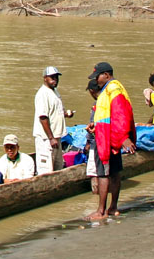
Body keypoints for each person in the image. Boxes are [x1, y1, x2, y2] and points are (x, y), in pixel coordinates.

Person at [86, 62, 135, 221]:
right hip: (108, 135)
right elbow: (108, 115)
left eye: (97, 77)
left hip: (108, 139)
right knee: (114, 172)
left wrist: (123, 138)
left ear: (106, 74)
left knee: (103, 174)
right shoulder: (111, 89)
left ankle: (101, 211)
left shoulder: (113, 89)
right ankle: (112, 208)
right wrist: (96, 127)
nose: (97, 81)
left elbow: (120, 114)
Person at [34, 66, 75, 174]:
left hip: (57, 137)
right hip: (46, 139)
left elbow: (57, 111)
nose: (55, 80)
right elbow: (43, 117)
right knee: (46, 170)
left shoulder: (55, 92)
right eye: (52, 77)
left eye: (56, 77)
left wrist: (66, 114)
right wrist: (51, 138)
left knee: (58, 166)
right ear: (45, 78)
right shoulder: (43, 94)